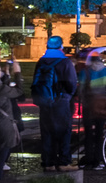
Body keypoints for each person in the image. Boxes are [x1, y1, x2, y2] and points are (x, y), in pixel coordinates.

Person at [30, 36, 79, 170]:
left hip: (45, 102)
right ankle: (64, 162)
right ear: (61, 46)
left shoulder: (41, 61)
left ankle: (48, 162)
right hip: (61, 101)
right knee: (64, 132)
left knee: (47, 132)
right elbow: (71, 83)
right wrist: (71, 95)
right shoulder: (65, 62)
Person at [81, 52, 106, 170]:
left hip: (88, 106)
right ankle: (98, 159)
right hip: (102, 105)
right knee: (100, 133)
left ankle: (89, 159)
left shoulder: (85, 72)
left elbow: (79, 90)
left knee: (88, 134)